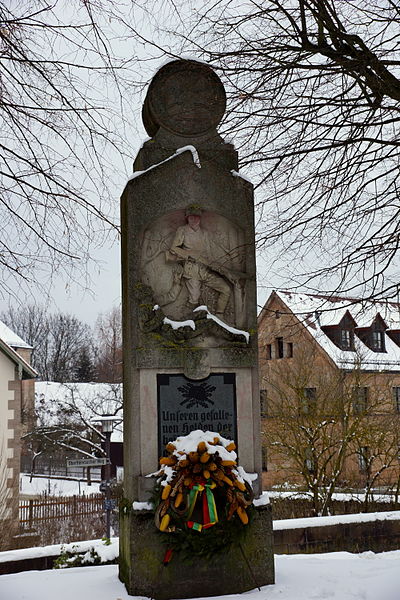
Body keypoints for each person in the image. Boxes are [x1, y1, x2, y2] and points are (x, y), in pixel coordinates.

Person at [167, 205, 231, 316]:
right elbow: (174, 248)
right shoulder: (182, 230)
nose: (194, 220)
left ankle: (219, 316)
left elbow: (209, 252)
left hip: (205, 269)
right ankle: (184, 320)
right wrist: (189, 254)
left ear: (200, 218)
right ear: (187, 218)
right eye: (191, 217)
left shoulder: (205, 233)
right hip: (192, 270)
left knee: (226, 289)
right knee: (194, 299)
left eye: (196, 217)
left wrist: (215, 265)